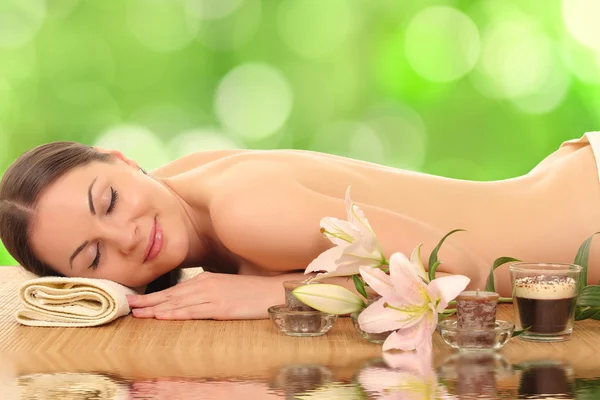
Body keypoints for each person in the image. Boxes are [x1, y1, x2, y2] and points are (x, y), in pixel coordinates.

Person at [1, 132, 599, 320]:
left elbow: (460, 272)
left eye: (108, 201)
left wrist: (271, 294)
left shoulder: (242, 211)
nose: (126, 236)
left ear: (124, 161)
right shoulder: (184, 184)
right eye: (93, 258)